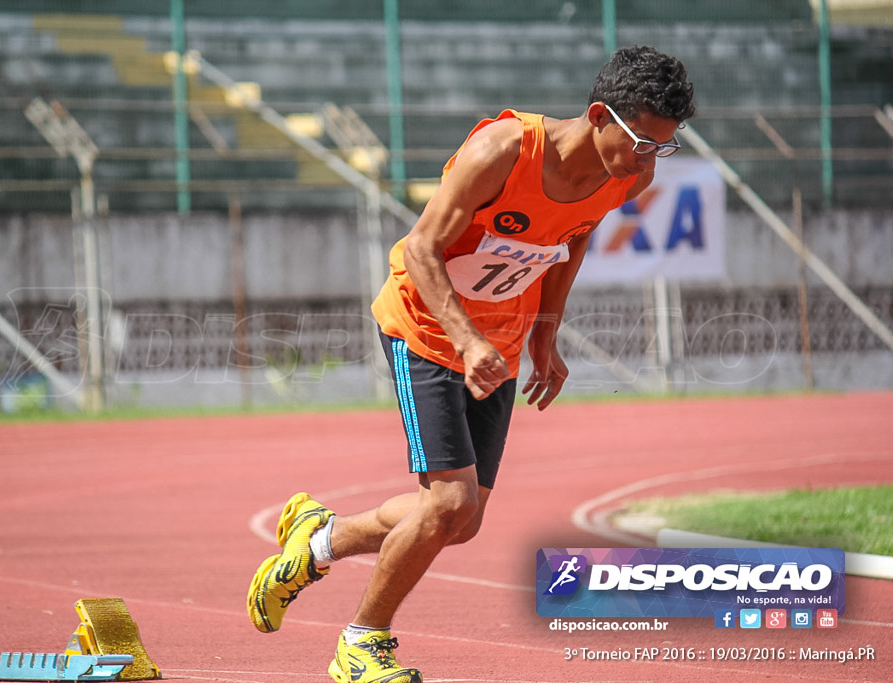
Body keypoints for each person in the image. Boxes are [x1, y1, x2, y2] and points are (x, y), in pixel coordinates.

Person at [246, 45, 696, 683]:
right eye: (642, 141)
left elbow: (573, 240)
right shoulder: (503, 150)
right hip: (427, 326)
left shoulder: (629, 175)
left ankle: (319, 541)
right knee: (448, 503)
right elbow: (424, 247)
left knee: (459, 520)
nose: (649, 159)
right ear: (600, 115)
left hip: (504, 339)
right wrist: (465, 340)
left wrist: (545, 332)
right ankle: (360, 642)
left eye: (663, 146)